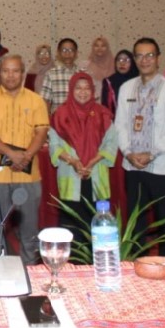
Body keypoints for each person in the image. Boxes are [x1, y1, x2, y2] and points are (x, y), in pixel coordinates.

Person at [115, 38, 165, 257]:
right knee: (135, 220)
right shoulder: (127, 88)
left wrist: (151, 153)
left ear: (158, 58)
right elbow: (120, 125)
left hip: (161, 167)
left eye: (149, 55)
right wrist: (128, 153)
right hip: (132, 166)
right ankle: (136, 262)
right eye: (139, 55)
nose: (144, 60)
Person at [0, 54, 50, 265]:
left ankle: (31, 272)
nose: (11, 75)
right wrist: (11, 154)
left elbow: (41, 132)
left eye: (15, 71)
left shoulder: (36, 100)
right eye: (6, 71)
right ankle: (1, 271)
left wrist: (26, 156)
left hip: (27, 176)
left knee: (29, 231)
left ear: (23, 73)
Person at [49, 72, 117, 236]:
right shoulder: (60, 115)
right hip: (70, 174)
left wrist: (92, 162)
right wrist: (73, 161)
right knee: (71, 225)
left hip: (96, 174)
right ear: (71, 89)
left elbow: (111, 143)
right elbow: (54, 145)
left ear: (92, 90)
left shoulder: (103, 114)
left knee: (98, 224)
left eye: (87, 88)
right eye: (78, 88)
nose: (83, 92)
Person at [40, 38, 80, 114]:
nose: (67, 53)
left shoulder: (82, 74)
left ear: (76, 53)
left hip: (79, 119)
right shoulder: (51, 74)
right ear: (58, 53)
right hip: (57, 119)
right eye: (64, 50)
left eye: (71, 50)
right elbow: (45, 101)